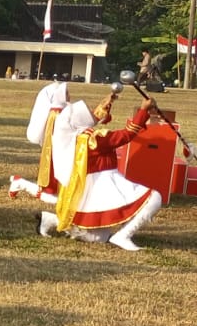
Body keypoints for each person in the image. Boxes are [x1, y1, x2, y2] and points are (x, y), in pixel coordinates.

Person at [41, 98, 163, 250]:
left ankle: (51, 219)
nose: (92, 114)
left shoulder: (71, 137)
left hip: (88, 189)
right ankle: (123, 235)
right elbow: (126, 135)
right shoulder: (93, 139)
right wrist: (143, 111)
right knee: (154, 197)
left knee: (98, 238)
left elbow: (92, 119)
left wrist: (106, 104)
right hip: (104, 184)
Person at [9, 81, 73, 203]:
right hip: (57, 154)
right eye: (66, 93)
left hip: (61, 152)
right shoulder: (56, 113)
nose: (69, 95)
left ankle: (20, 182)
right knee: (53, 197)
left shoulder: (63, 109)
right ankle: (20, 183)